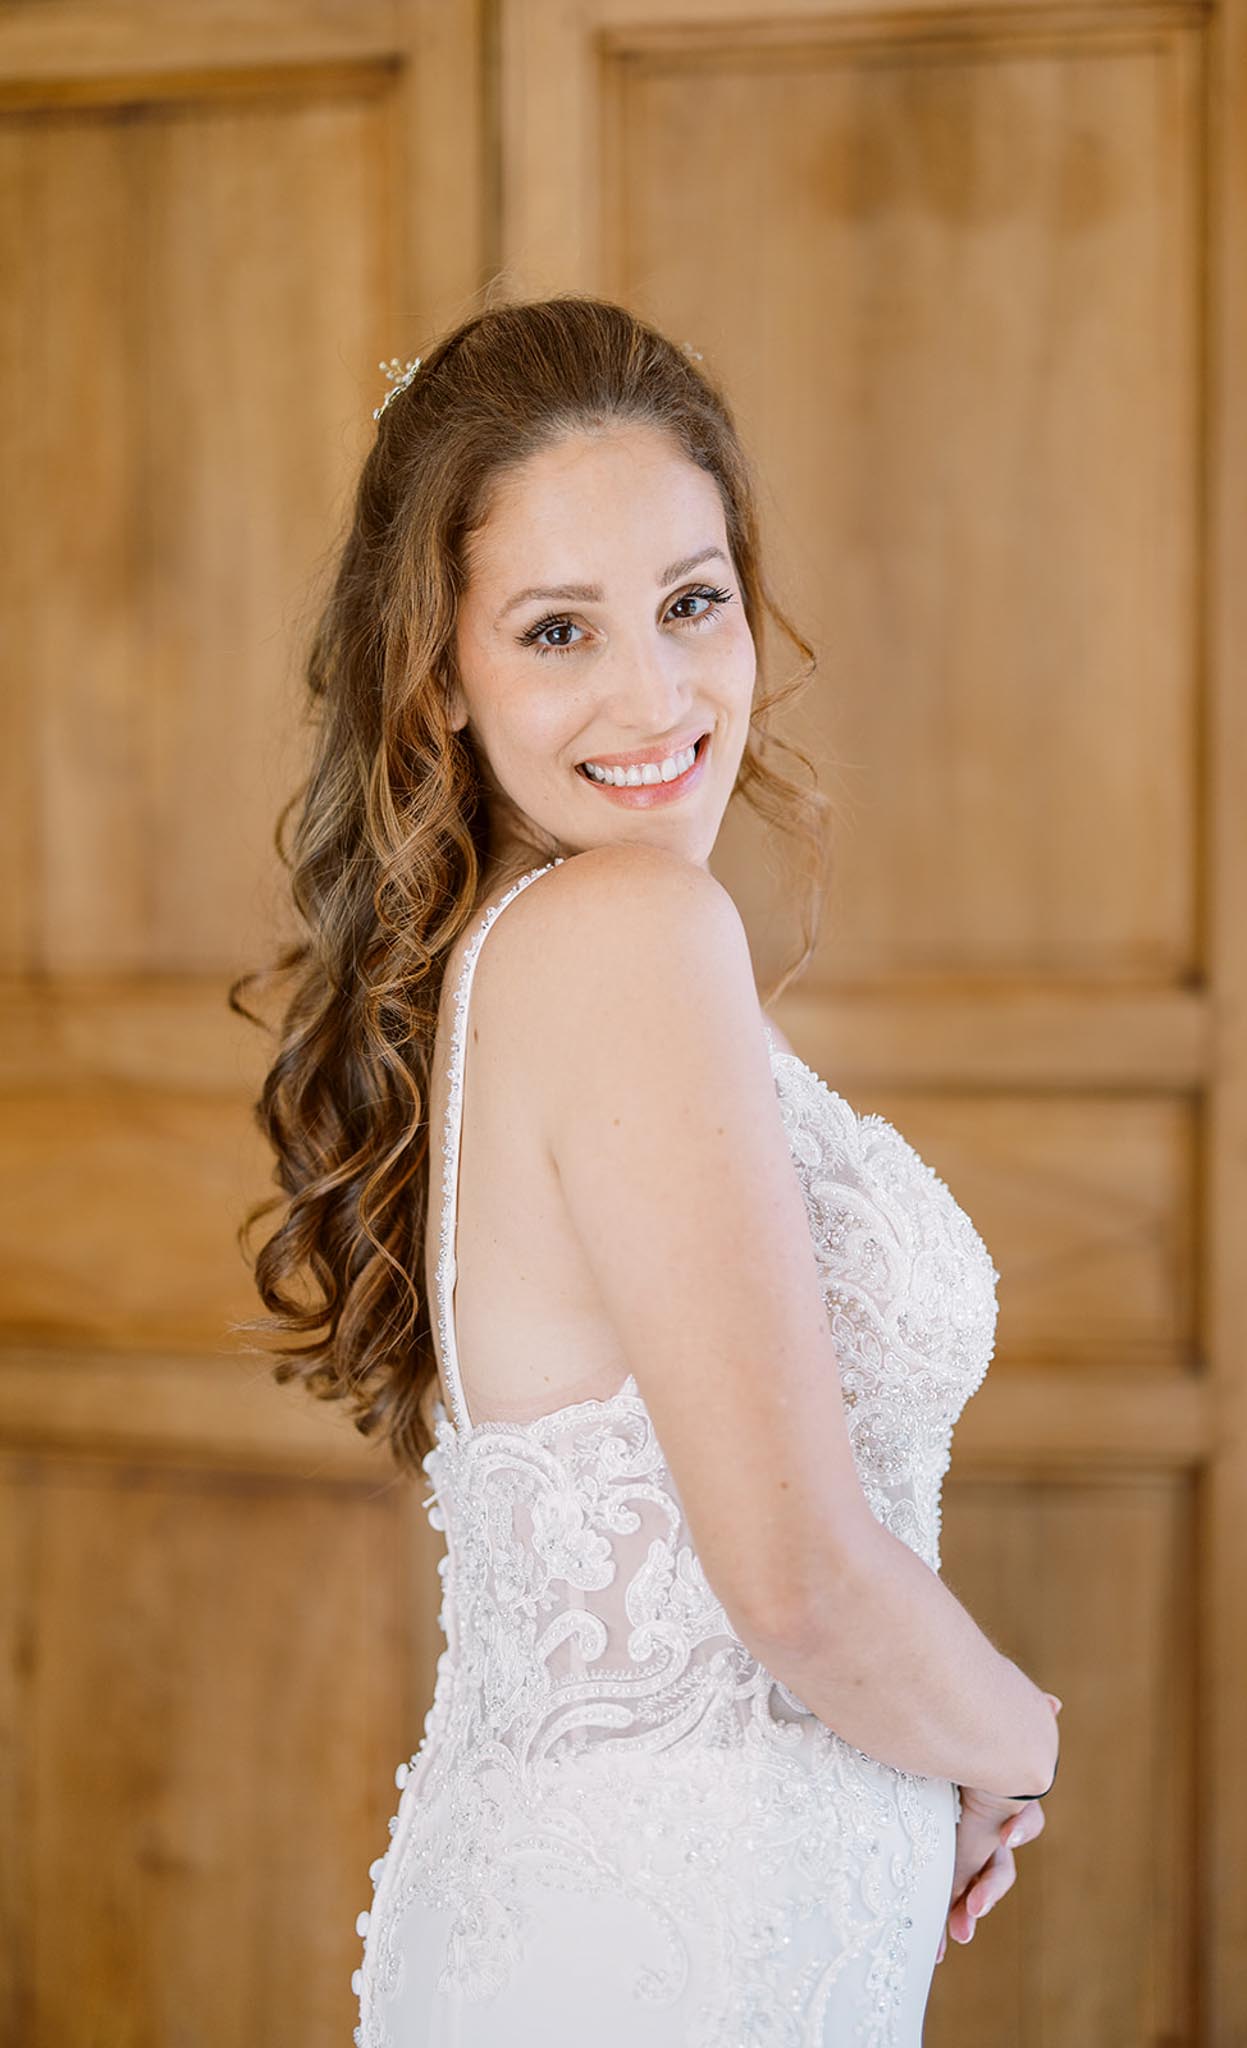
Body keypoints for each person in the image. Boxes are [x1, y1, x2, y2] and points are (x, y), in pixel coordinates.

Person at [231, 292, 1061, 2046]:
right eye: (555, 632)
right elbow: (797, 1579)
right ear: (437, 680)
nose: (656, 693)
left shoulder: (537, 942)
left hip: (659, 1923)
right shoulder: (627, 928)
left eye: (692, 601)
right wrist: (1014, 1740)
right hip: (666, 1958)